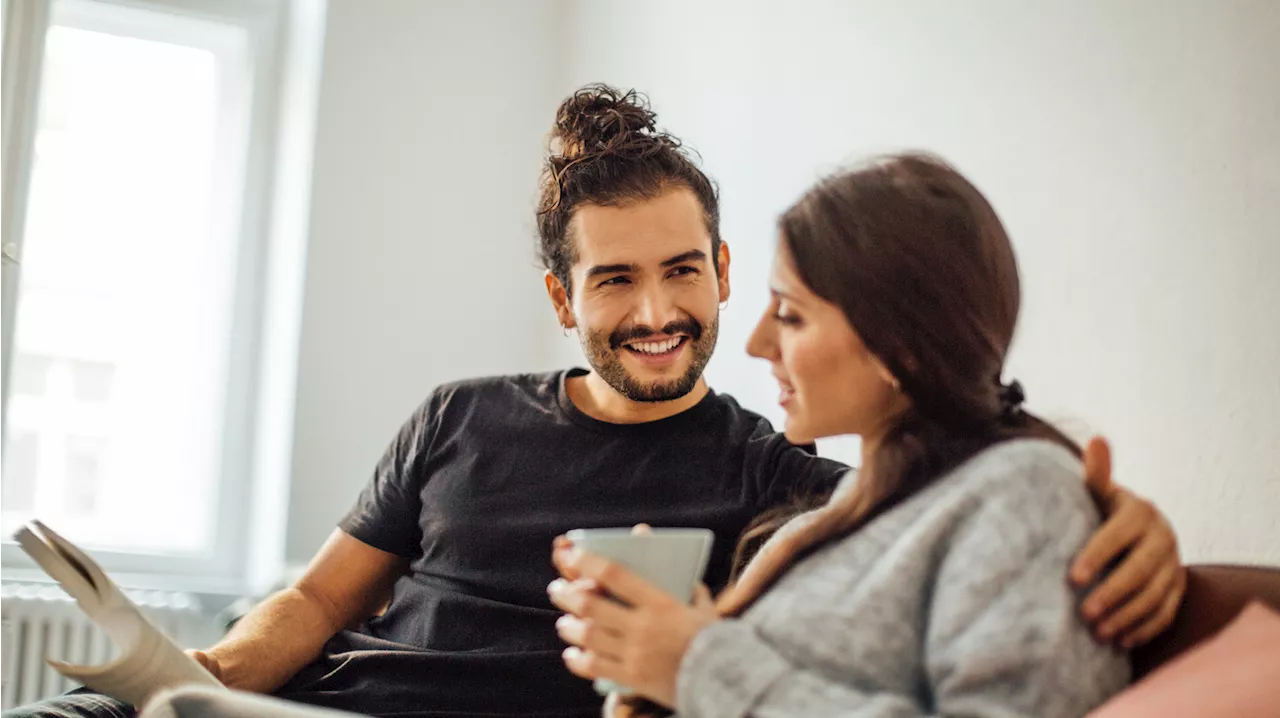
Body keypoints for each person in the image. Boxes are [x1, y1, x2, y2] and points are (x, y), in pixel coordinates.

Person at [4, 87, 1181, 718]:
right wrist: (194, 675)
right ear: (562, 296)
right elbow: (315, 601)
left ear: (721, 270)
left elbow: (942, 461)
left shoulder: (778, 475)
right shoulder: (455, 417)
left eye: (684, 271)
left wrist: (1118, 510)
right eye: (614, 279)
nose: (657, 311)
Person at [549, 154, 1139, 717]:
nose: (756, 344)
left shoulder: (1023, 493)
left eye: (791, 314)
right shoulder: (812, 529)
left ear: (898, 342)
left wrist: (696, 666)